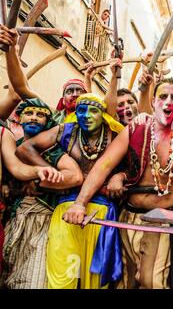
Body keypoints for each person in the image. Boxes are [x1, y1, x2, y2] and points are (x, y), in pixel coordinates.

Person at [65, 78, 173, 289]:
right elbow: (104, 165)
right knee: (126, 282)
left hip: (164, 220)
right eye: (163, 97)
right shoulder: (137, 126)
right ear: (152, 102)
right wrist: (79, 203)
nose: (168, 102)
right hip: (129, 218)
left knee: (153, 282)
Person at [16, 93, 124, 289]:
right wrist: (49, 172)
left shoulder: (114, 135)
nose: (86, 115)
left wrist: (121, 176)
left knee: (94, 280)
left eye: (93, 110)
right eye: (81, 110)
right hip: (66, 211)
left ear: (103, 114)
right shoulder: (66, 130)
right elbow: (24, 148)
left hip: (102, 213)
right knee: (61, 278)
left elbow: (133, 168)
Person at [2, 98, 83, 289]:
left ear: (47, 122)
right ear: (19, 118)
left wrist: (38, 181)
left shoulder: (53, 149)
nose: (34, 118)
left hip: (43, 219)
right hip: (13, 219)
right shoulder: (11, 145)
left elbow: (75, 177)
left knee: (32, 278)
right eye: (29, 113)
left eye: (40, 115)